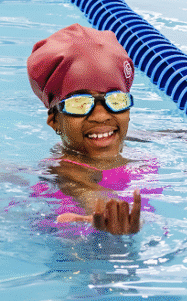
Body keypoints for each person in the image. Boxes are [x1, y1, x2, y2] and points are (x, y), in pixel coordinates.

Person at [27, 23, 158, 235]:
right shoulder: (66, 170)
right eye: (79, 103)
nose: (101, 115)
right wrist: (112, 215)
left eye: (115, 99)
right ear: (55, 121)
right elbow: (83, 188)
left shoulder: (132, 141)